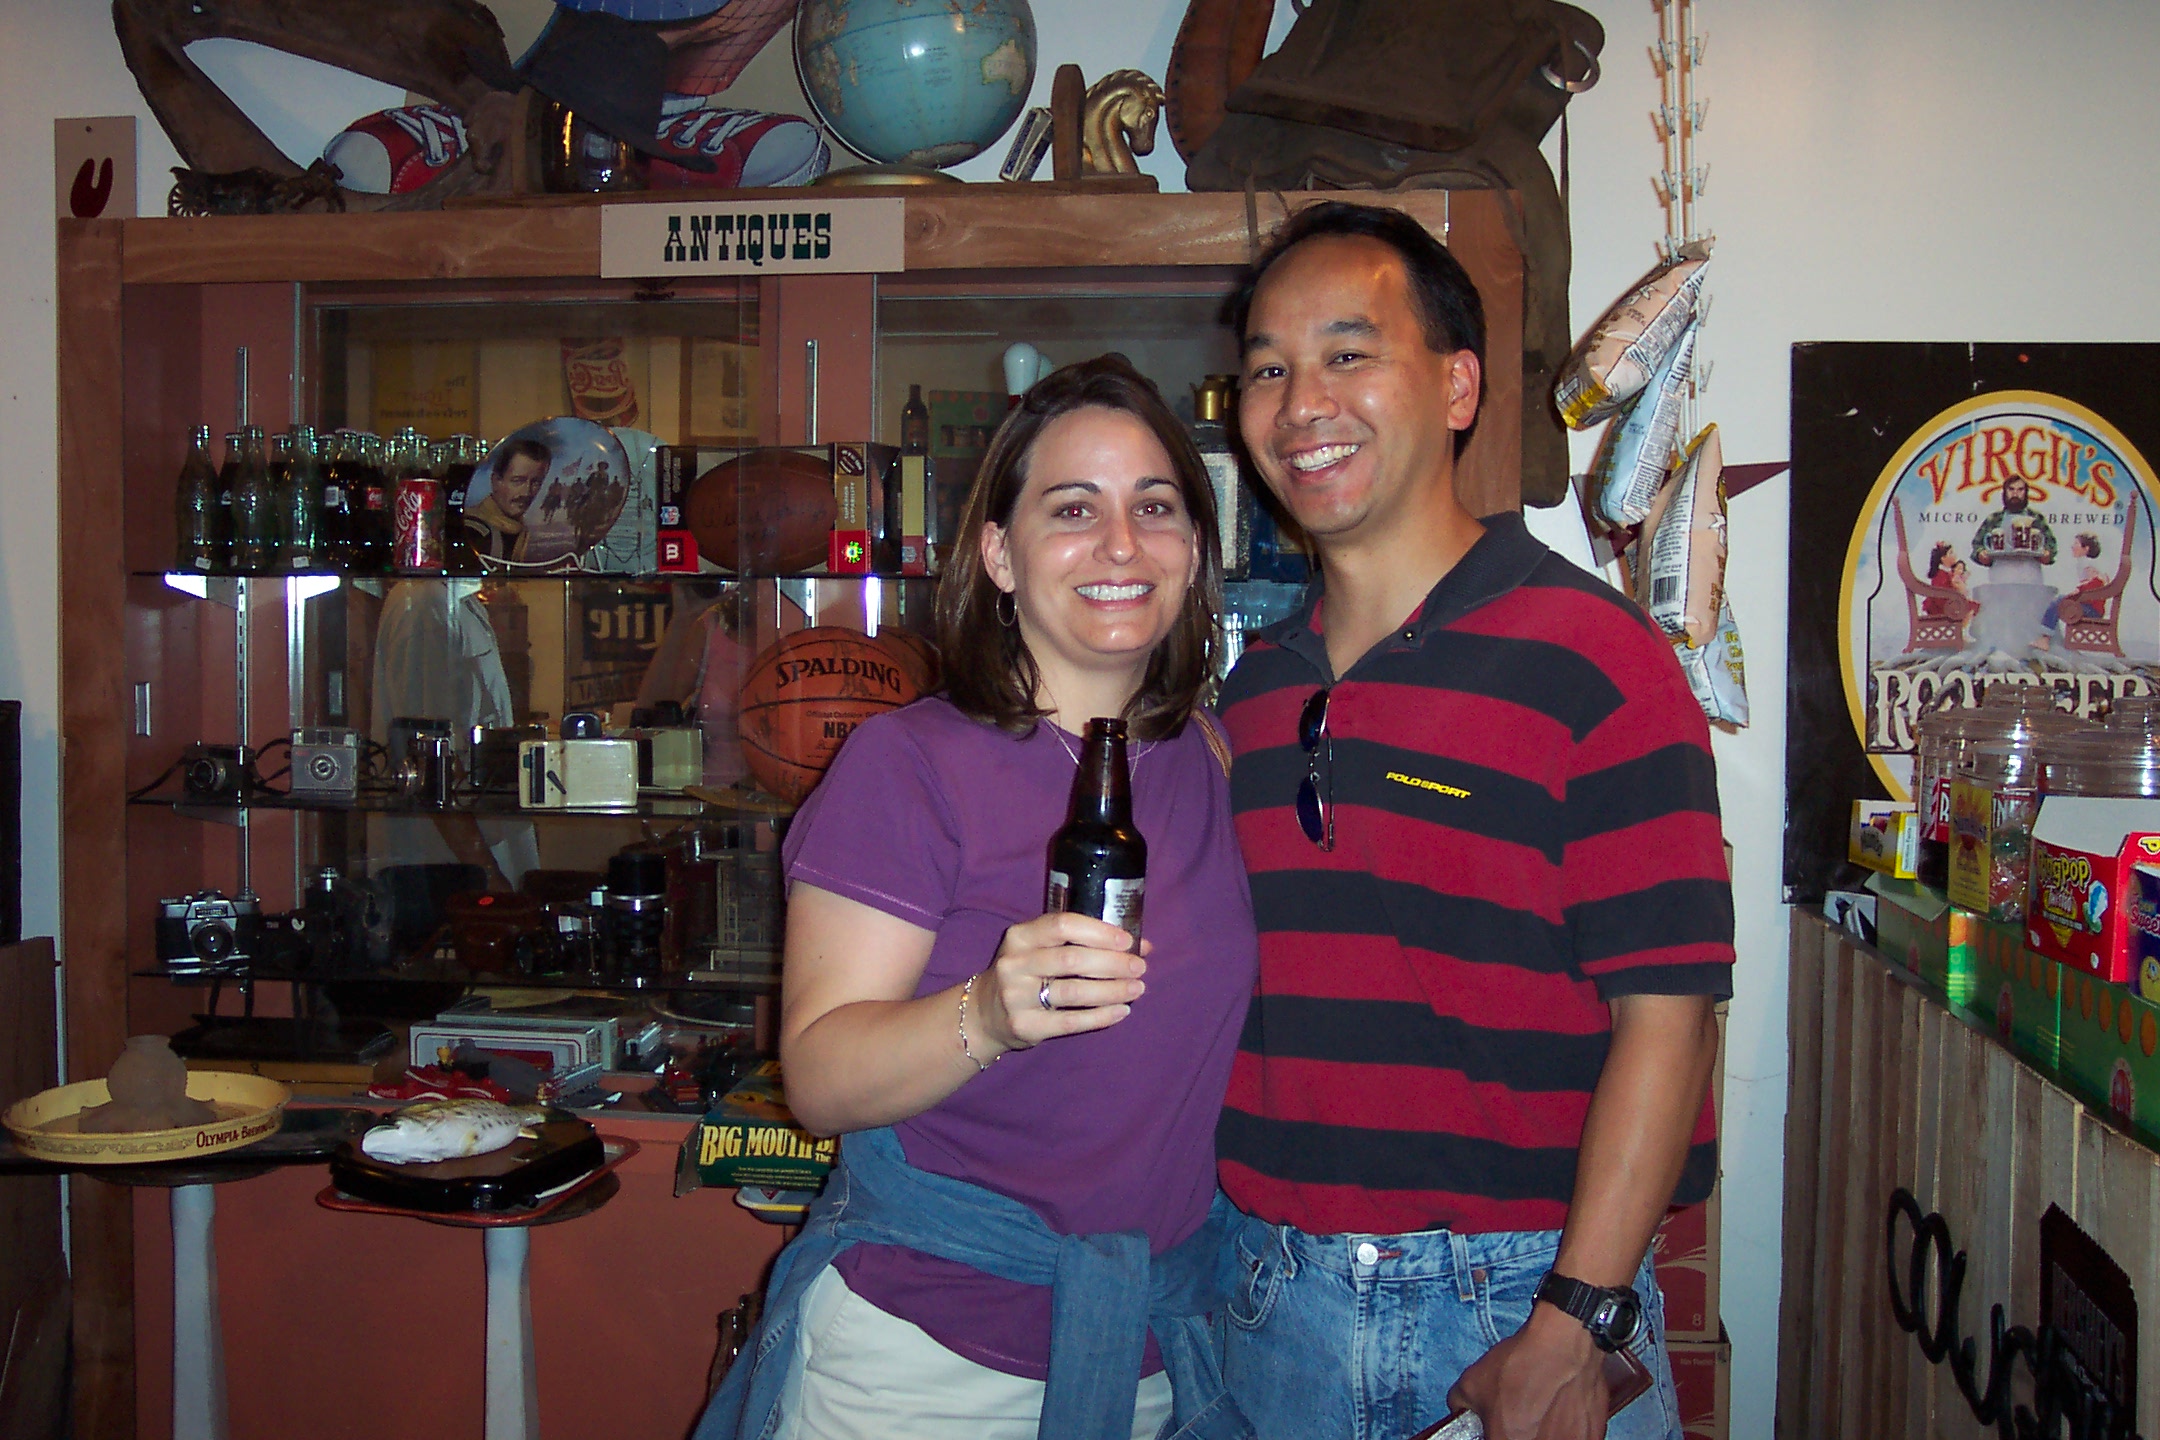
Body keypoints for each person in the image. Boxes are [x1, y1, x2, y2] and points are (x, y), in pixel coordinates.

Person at [1211, 201, 1733, 1440]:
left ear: (1458, 386)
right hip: (1268, 1294)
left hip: (1519, 1299)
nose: (1301, 404)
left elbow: (1670, 1017)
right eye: (1269, 370)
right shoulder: (1250, 694)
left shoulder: (1594, 657)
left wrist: (1573, 1321)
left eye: (1348, 354)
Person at [694, 356, 1259, 1440]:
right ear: (999, 552)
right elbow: (819, 1078)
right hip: (926, 1370)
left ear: (1196, 547)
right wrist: (989, 1015)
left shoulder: (1212, 755)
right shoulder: (908, 765)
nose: (1121, 544)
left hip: (1157, 1350)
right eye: (1072, 509)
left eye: (1155, 507)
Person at [464, 436, 548, 564]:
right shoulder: (475, 531)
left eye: (536, 483)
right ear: (496, 481)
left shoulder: (522, 532)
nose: (526, 492)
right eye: (517, 481)